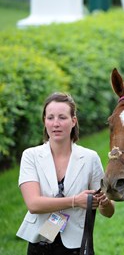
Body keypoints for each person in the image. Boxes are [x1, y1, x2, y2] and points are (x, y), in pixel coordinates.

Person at [17, 92, 115, 255]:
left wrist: (104, 203)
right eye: (50, 118)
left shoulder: (90, 158)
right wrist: (76, 201)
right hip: (39, 244)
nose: (56, 123)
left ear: (73, 121)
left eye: (62, 117)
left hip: (77, 246)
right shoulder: (31, 156)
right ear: (44, 122)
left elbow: (109, 213)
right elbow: (33, 204)